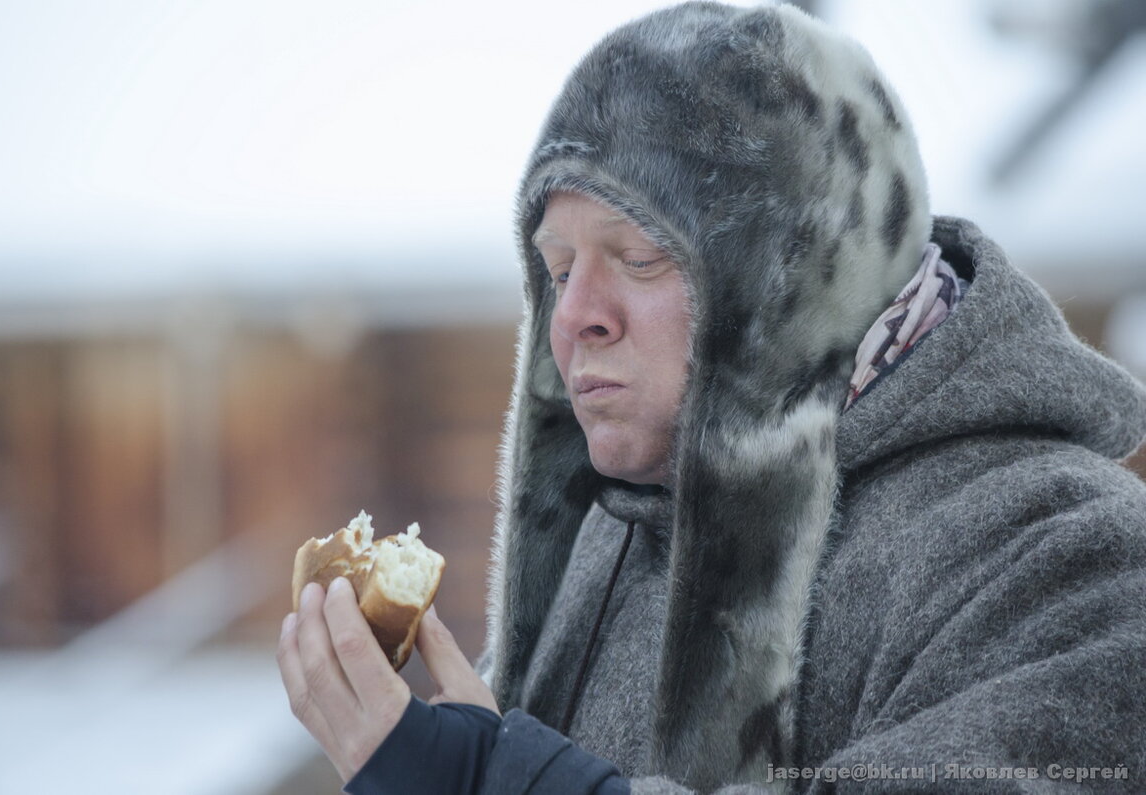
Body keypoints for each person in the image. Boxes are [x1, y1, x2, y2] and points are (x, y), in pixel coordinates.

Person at [277, 2, 1146, 792]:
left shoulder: (1063, 558)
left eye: (639, 257)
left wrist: (492, 781)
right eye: (559, 269)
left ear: (803, 272)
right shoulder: (621, 530)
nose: (572, 318)